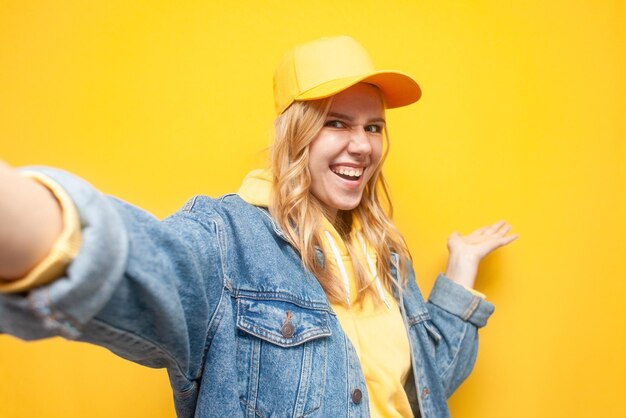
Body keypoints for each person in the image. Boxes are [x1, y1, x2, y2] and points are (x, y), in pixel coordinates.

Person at [0, 35, 517, 418]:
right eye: (336, 122)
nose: (362, 145)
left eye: (373, 126)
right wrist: (26, 215)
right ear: (297, 134)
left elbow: (426, 383)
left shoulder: (384, 254)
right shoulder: (228, 240)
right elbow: (140, 269)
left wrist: (460, 275)